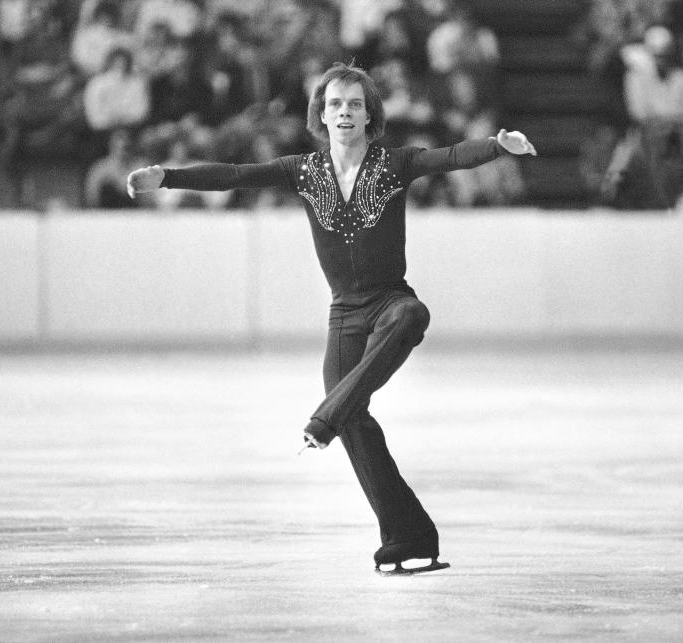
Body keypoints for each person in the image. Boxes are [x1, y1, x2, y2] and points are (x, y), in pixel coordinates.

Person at [127, 61, 536, 575]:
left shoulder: (393, 163)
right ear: (321, 113)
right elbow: (236, 175)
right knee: (357, 424)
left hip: (389, 301)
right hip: (344, 314)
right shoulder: (304, 171)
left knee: (412, 315)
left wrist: (500, 146)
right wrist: (167, 177)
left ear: (369, 116)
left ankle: (326, 416)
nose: (345, 112)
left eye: (355, 105)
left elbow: (450, 156)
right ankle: (408, 535)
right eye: (335, 104)